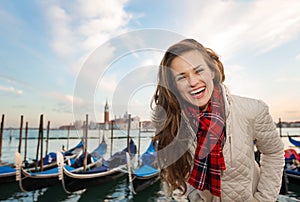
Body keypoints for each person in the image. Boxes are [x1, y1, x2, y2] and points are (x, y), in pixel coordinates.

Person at [151, 39, 284, 201]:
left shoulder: (252, 110)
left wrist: (264, 198)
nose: (193, 82)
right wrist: (189, 197)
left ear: (212, 71)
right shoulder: (174, 122)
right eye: (182, 77)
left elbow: (274, 152)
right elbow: (175, 173)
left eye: (198, 71)